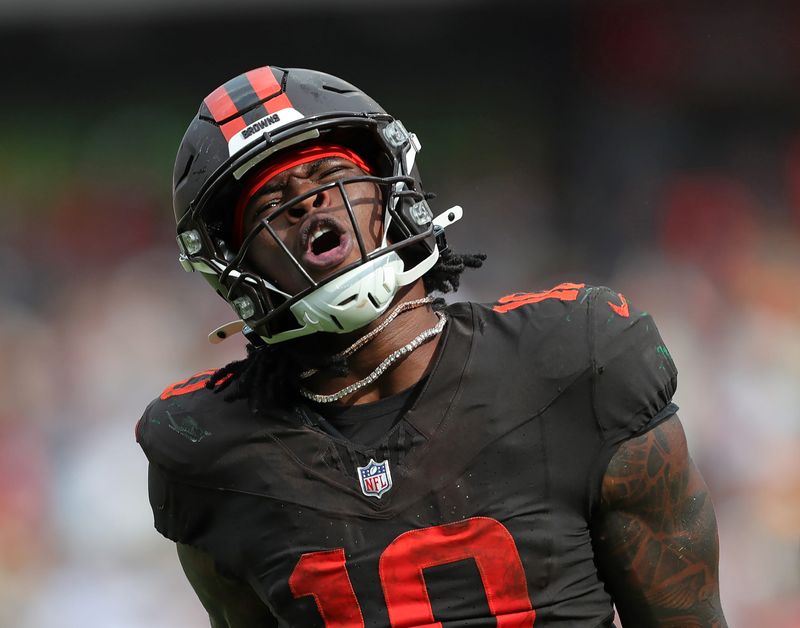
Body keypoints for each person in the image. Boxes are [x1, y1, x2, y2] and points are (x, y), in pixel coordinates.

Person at [136, 65, 727, 627]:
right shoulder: (205, 453)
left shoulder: (575, 358)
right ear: (236, 270)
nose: (306, 201)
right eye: (268, 204)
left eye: (328, 176)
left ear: (391, 193)